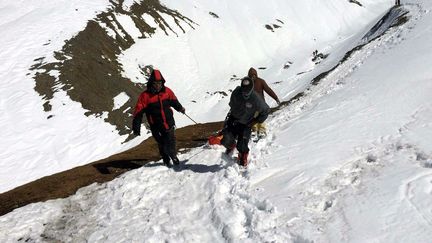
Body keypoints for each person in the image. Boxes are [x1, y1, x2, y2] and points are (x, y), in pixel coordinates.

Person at [132, 69, 185, 167]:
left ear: (162, 82)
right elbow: (138, 112)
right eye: (155, 83)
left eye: (159, 82)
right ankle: (165, 158)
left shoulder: (167, 91)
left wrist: (180, 108)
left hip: (169, 121)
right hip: (155, 124)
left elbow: (174, 101)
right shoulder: (145, 96)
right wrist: (136, 127)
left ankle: (173, 156)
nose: (158, 85)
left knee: (171, 139)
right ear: (151, 83)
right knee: (161, 142)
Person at [221, 77, 270, 167]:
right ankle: (231, 146)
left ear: (251, 89)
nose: (245, 93)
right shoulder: (236, 92)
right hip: (233, 119)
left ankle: (243, 154)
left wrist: (256, 121)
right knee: (226, 139)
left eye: (247, 91)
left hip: (246, 123)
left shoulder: (256, 99)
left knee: (242, 144)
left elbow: (266, 110)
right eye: (244, 90)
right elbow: (231, 104)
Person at [247, 67, 280, 138]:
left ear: (256, 75)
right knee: (253, 117)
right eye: (251, 75)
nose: (253, 77)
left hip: (261, 104)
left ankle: (261, 130)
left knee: (261, 116)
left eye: (254, 75)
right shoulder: (247, 83)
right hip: (251, 105)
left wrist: (276, 98)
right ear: (249, 76)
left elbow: (268, 90)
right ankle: (254, 130)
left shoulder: (261, 81)